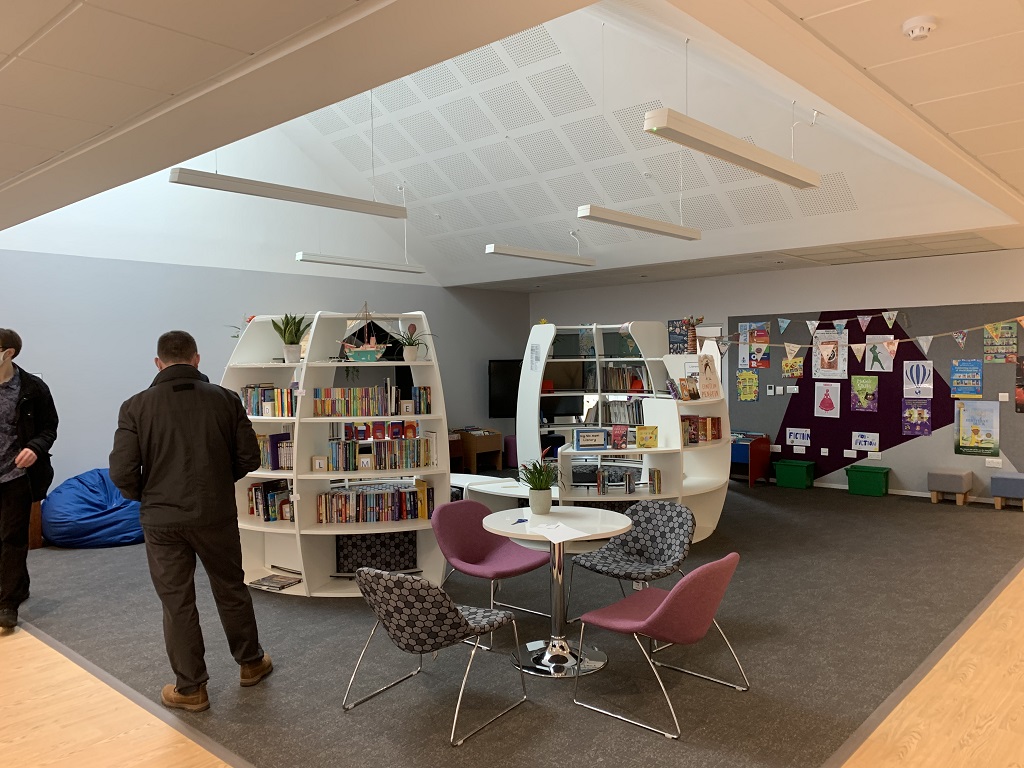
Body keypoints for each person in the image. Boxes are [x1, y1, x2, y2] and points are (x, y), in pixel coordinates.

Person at [109, 330, 271, 712]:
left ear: (158, 362)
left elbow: (121, 471)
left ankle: (191, 689)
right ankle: (250, 664)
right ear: (197, 359)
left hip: (162, 519)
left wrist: (146, 496)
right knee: (231, 588)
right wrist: (216, 481)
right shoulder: (226, 400)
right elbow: (249, 458)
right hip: (215, 513)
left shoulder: (134, 406)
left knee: (176, 601)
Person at [0, 329, 58, 630]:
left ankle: (7, 603)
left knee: (12, 538)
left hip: (16, 476)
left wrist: (34, 448)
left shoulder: (33, 388)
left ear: (8, 353)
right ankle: (18, 587)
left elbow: (49, 429)